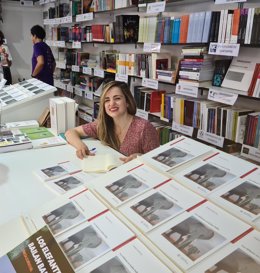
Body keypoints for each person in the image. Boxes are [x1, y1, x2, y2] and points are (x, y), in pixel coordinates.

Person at [65, 81, 160, 163]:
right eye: (107, 100)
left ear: (127, 102)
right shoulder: (103, 124)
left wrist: (140, 157)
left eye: (117, 98)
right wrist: (80, 146)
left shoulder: (144, 127)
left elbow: (157, 161)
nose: (111, 104)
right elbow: (70, 132)